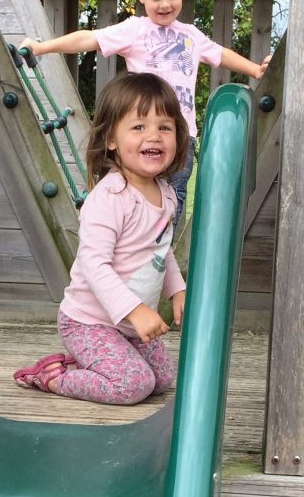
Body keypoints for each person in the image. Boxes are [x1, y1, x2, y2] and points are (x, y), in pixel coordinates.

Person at [21, 0, 271, 226]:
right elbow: (89, 39)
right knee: (135, 194)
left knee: (173, 197)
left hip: (180, 136)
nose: (165, 4)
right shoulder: (135, 30)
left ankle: (161, 256)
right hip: (142, 132)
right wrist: (42, 48)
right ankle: (126, 240)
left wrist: (255, 70)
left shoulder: (191, 35)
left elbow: (220, 54)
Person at [13, 72, 189, 405]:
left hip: (127, 324)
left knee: (162, 380)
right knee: (133, 386)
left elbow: (160, 250)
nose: (154, 136)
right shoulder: (111, 196)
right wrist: (136, 310)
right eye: (138, 127)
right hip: (88, 322)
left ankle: (94, 363)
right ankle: (54, 377)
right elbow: (94, 264)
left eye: (164, 127)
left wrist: (176, 288)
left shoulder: (166, 194)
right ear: (110, 139)